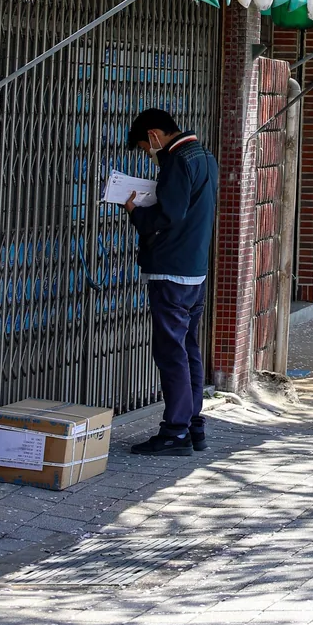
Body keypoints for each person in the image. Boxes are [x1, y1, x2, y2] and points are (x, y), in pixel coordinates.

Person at [123, 108, 219, 456]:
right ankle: (194, 426)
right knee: (189, 349)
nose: (148, 154)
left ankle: (175, 431)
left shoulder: (177, 160)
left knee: (170, 353)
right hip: (195, 271)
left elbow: (168, 214)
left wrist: (137, 212)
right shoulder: (205, 156)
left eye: (144, 147)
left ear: (154, 135)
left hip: (171, 272)